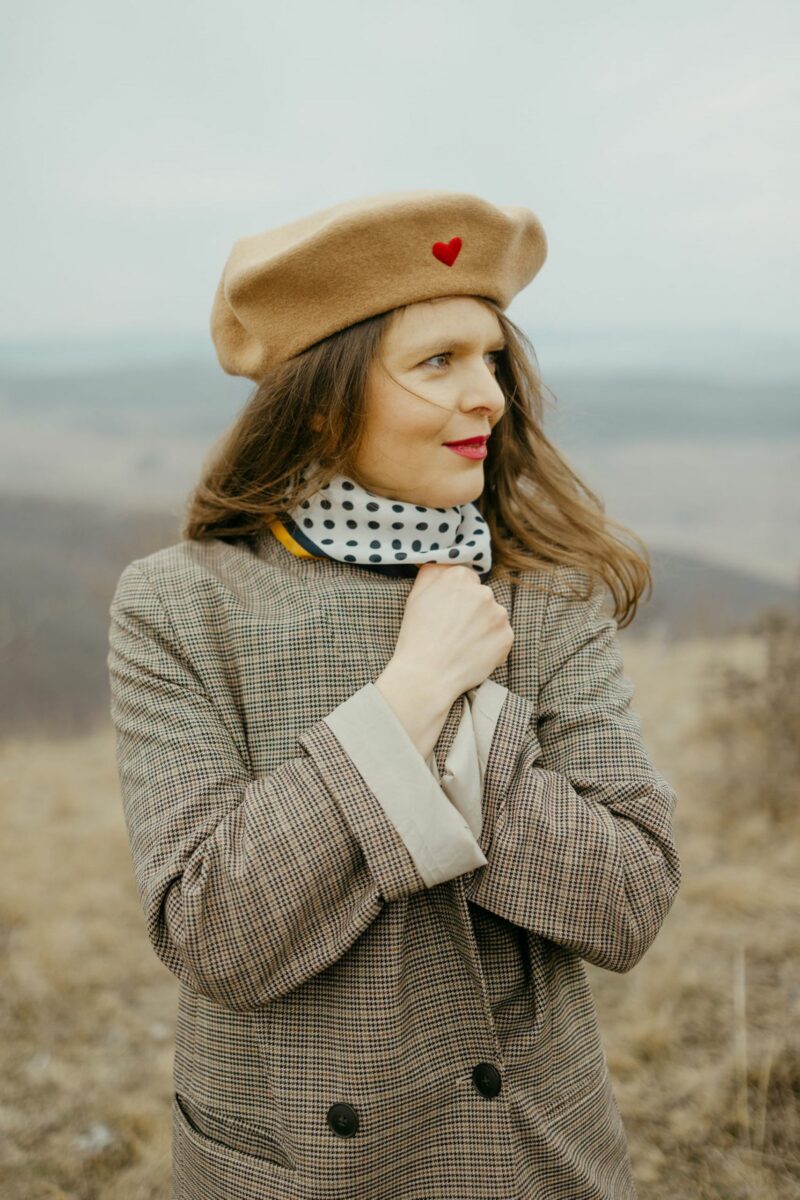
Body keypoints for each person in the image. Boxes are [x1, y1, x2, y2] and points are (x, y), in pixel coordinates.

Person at [107, 188, 681, 1200]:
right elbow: (213, 933)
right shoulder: (179, 603)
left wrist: (458, 716)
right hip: (287, 1164)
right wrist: (411, 693)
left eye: (492, 357)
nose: (490, 398)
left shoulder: (546, 593)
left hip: (529, 1155)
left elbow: (628, 902)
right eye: (437, 363)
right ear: (323, 399)